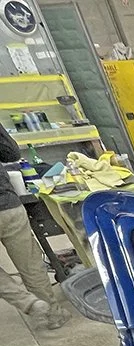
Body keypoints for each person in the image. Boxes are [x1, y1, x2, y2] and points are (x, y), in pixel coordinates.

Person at [0, 124, 71, 329]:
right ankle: (53, 314)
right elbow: (11, 152)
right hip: (7, 205)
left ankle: (28, 303)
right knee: (30, 263)